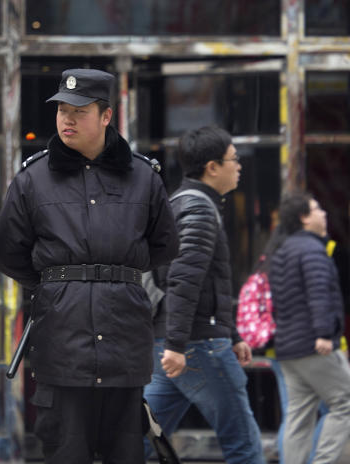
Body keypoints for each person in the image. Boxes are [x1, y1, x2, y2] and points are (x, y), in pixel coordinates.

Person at [0, 68, 178, 463]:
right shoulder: (33, 179)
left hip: (124, 346)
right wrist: (58, 285)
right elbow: (8, 250)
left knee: (126, 453)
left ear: (107, 116)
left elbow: (165, 245)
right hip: (62, 347)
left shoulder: (143, 177)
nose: (67, 119)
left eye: (78, 110)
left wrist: (115, 277)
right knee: (65, 451)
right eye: (61, 109)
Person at [143, 125, 265, 464]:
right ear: (212, 167)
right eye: (233, 160)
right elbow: (183, 281)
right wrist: (177, 346)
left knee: (141, 441)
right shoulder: (197, 210)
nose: (239, 166)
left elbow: (204, 283)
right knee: (244, 444)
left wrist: (232, 333)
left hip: (179, 340)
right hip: (197, 346)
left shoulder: (181, 203)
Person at [267, 194, 350, 464]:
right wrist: (323, 334)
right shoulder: (311, 250)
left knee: (298, 417)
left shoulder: (283, 250)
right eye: (318, 209)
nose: (324, 213)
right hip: (312, 344)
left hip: (288, 347)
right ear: (304, 218)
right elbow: (319, 294)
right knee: (348, 401)